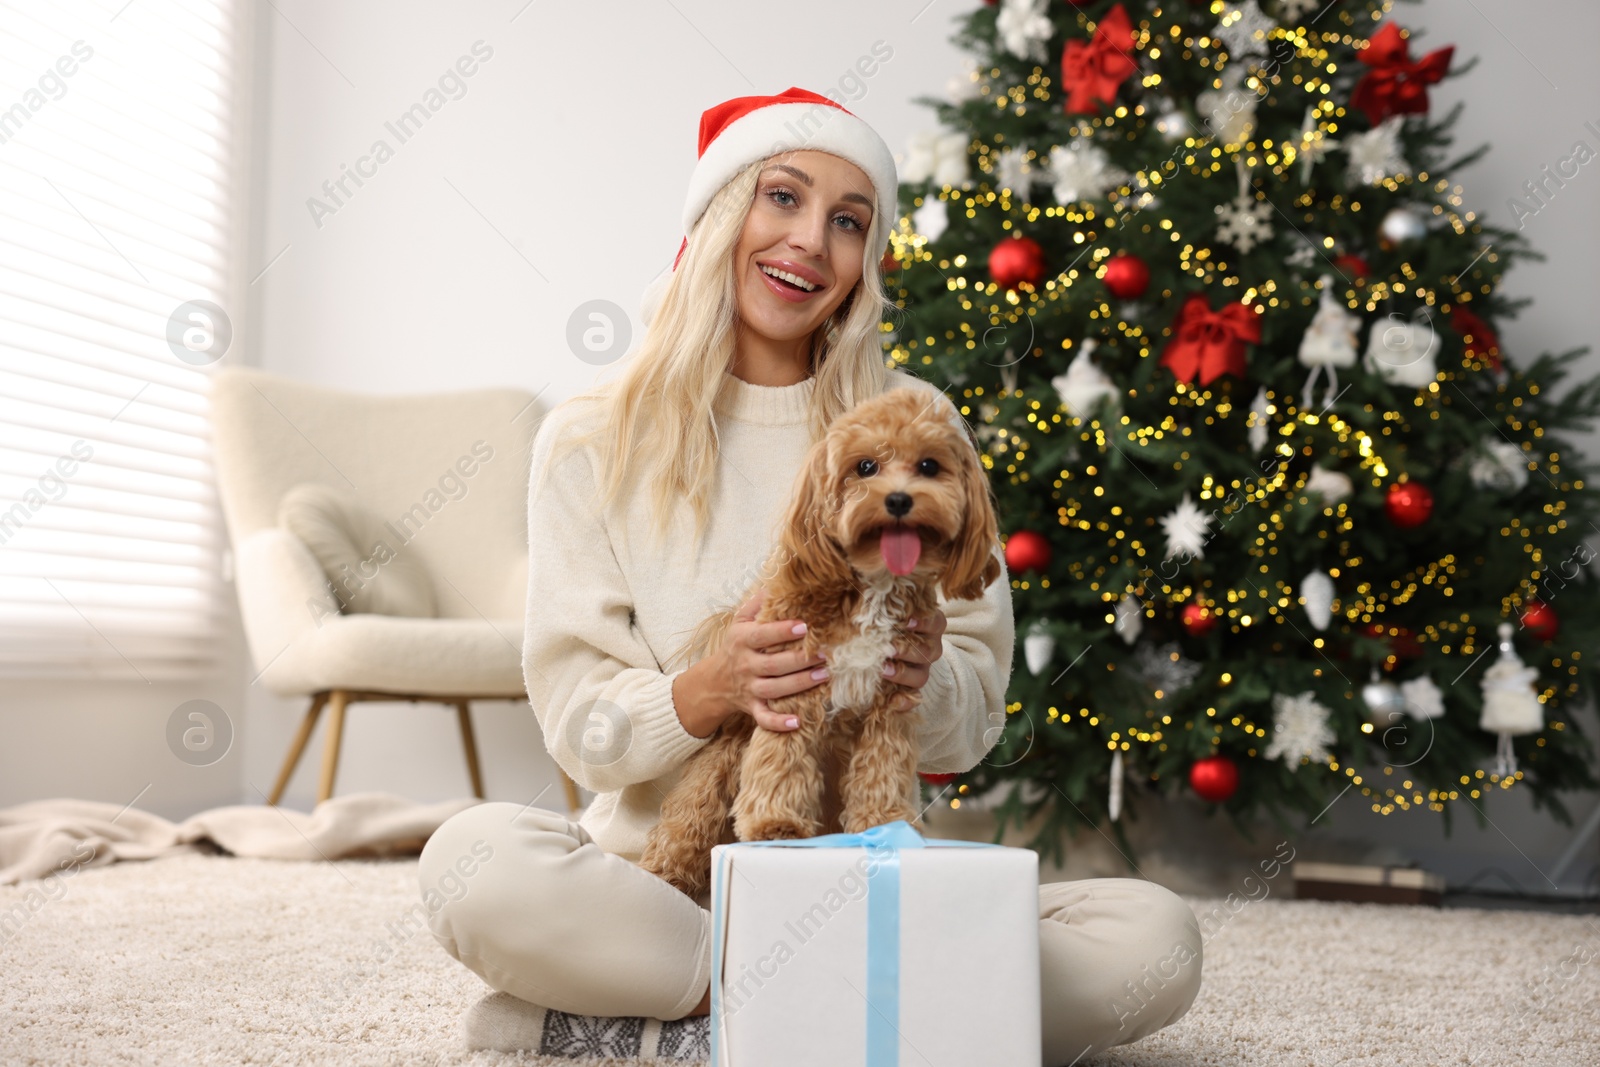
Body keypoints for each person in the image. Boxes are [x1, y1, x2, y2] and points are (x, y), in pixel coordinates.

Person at [418, 86, 1203, 1064]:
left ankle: (661, 1030)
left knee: (1155, 938)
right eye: (781, 198)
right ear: (719, 217)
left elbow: (979, 715)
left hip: (876, 881)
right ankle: (850, 1011)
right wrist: (703, 692)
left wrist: (925, 677)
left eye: (847, 221)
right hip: (666, 888)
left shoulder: (915, 419)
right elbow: (584, 721)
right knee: (472, 862)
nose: (807, 244)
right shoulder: (592, 435)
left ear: (867, 262)